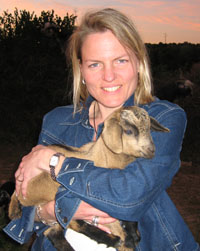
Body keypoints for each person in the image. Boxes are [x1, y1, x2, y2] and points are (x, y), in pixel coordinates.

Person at [4, 8, 199, 251]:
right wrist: (47, 212)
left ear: (138, 63)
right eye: (95, 64)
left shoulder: (161, 118)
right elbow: (25, 208)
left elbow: (129, 198)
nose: (109, 76)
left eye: (120, 60)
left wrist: (52, 161)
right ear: (81, 70)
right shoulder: (57, 121)